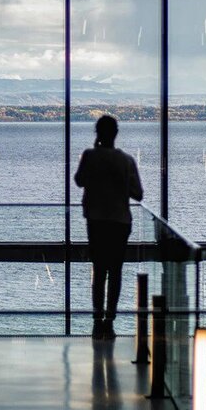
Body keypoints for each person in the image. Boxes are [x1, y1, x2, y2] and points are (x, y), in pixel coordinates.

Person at [73, 115, 143, 340]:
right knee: (115, 272)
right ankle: (109, 322)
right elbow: (138, 194)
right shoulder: (126, 160)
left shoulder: (90, 156)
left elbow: (79, 180)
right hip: (120, 222)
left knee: (99, 271)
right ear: (116, 133)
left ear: (97, 133)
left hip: (96, 221)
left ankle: (96, 321)